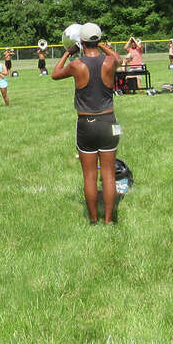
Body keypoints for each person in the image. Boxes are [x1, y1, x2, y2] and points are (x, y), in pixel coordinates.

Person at [51, 23, 124, 225]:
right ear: (98, 41)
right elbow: (119, 59)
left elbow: (55, 74)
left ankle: (93, 219)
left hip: (86, 123)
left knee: (89, 176)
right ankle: (109, 220)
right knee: (108, 175)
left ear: (81, 42)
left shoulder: (77, 65)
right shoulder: (110, 62)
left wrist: (68, 53)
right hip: (109, 121)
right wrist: (103, 47)